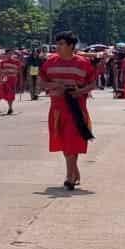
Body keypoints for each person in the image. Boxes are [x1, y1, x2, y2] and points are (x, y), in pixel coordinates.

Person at [41, 31, 96, 189]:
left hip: (76, 109)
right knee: (65, 143)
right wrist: (56, 86)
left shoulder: (83, 63)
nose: (58, 47)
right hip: (57, 109)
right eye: (57, 44)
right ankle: (74, 169)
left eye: (61, 44)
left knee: (73, 140)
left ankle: (69, 176)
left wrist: (79, 92)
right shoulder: (50, 63)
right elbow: (42, 83)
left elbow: (92, 84)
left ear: (71, 46)